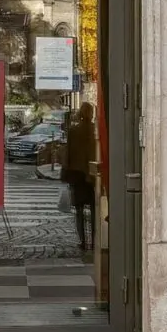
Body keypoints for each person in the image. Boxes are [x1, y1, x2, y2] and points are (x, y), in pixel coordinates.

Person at [60, 102, 97, 251]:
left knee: (80, 211)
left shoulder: (74, 131)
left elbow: (68, 153)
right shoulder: (94, 130)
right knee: (94, 210)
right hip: (93, 173)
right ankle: (94, 241)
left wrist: (65, 171)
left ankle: (82, 241)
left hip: (77, 174)